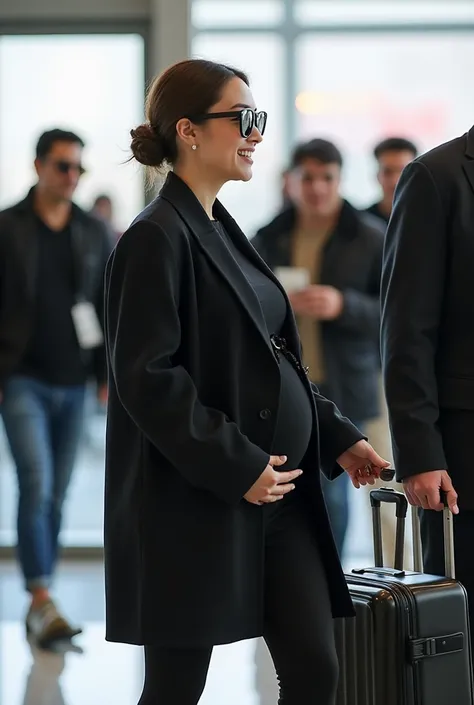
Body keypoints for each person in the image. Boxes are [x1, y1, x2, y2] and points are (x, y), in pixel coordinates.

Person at [103, 58, 389, 705]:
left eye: (259, 120)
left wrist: (336, 434)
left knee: (315, 668)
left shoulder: (221, 226)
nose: (258, 134)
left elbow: (271, 359)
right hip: (200, 497)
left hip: (280, 493)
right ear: (190, 131)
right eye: (245, 118)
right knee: (177, 686)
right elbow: (145, 378)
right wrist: (237, 464)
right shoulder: (155, 236)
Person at [0, 129, 111, 648]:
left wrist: (107, 374)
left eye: (77, 169)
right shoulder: (8, 227)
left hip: (75, 381)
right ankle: (41, 596)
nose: (71, 178)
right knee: (37, 482)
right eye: (63, 167)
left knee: (60, 491)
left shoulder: (91, 230)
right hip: (21, 377)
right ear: (39, 166)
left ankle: (43, 596)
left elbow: (106, 305)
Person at [252, 139, 385, 557]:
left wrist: (343, 304)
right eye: (307, 177)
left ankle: (334, 584)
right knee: (287, 488)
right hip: (285, 383)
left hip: (344, 380)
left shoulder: (369, 237)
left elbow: (394, 313)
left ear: (340, 180)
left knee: (335, 491)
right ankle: (299, 585)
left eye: (326, 178)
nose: (317, 188)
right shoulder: (268, 236)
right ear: (292, 180)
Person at [381, 128, 474, 640]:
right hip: (463, 459)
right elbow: (406, 332)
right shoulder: (435, 178)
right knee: (462, 631)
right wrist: (419, 454)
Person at [366, 137, 418, 224]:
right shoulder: (363, 223)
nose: (395, 181)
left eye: (403, 172)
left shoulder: (430, 218)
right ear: (377, 175)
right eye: (387, 172)